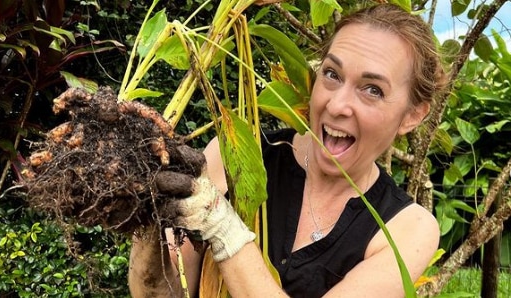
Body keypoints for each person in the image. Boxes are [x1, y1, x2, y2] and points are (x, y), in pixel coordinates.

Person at [128, 3, 449, 297]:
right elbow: (160, 293)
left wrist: (222, 227)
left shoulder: (407, 229)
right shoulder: (232, 156)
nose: (337, 105)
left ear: (412, 115)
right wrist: (147, 216)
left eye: (372, 90)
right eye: (332, 74)